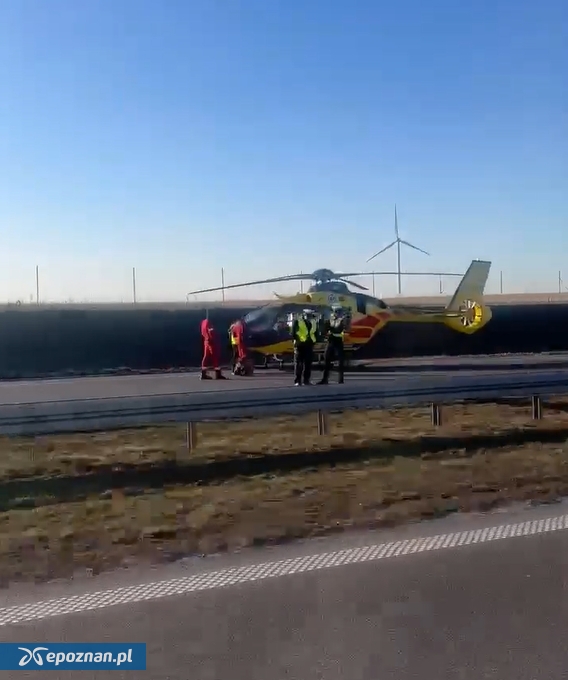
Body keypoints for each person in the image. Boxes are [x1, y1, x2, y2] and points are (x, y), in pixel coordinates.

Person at [318, 305, 346, 384]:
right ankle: (325, 379)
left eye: (338, 312)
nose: (337, 313)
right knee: (326, 358)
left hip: (338, 341)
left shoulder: (342, 320)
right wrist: (322, 324)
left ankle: (340, 379)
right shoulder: (330, 319)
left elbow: (338, 329)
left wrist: (330, 329)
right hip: (331, 341)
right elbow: (325, 329)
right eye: (336, 312)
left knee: (340, 361)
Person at [290, 309, 317, 386]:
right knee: (299, 363)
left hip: (309, 345)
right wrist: (297, 342)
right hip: (300, 345)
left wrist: (314, 341)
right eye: (307, 316)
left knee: (308, 364)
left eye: (310, 316)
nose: (309, 317)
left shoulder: (313, 322)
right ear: (304, 315)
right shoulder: (297, 322)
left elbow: (316, 332)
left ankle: (306, 380)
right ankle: (298, 381)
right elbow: (293, 333)